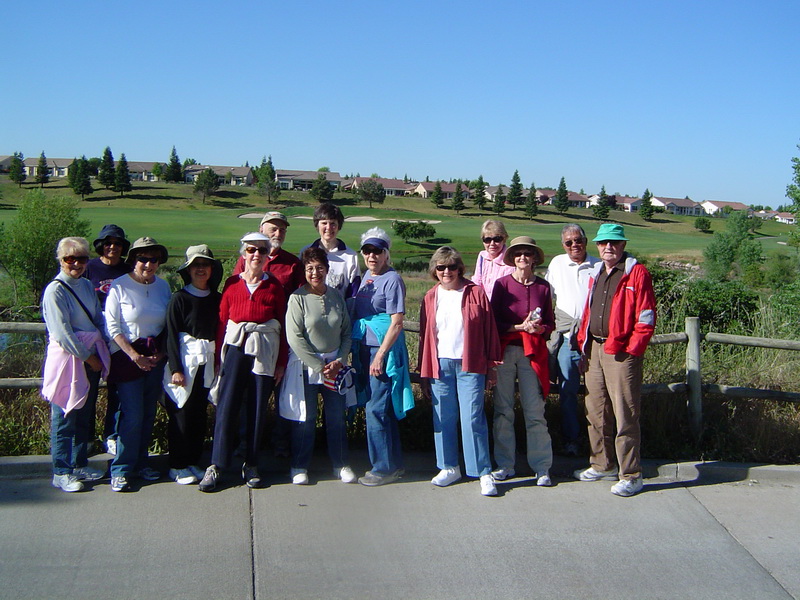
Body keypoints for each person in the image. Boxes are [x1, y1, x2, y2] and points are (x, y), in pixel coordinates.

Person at [199, 233, 288, 492]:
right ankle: (217, 465)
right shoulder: (232, 285)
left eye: (262, 250)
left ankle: (252, 463)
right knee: (226, 407)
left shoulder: (274, 287)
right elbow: (222, 323)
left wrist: (281, 362)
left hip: (263, 351)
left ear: (267, 255)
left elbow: (282, 327)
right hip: (236, 349)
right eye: (251, 250)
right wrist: (218, 359)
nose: (256, 255)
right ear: (244, 254)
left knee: (258, 408)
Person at [574, 223, 656, 497]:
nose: (608, 247)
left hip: (621, 352)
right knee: (596, 411)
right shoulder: (598, 272)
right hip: (595, 349)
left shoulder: (636, 273)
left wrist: (633, 349)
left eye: (614, 243)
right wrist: (584, 346)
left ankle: (631, 474)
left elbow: (646, 317)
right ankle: (602, 464)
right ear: (597, 246)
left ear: (623, 245)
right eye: (603, 243)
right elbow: (588, 311)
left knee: (625, 414)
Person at [418, 247, 502, 497]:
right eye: (441, 267)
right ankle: (448, 466)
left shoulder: (475, 292)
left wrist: (492, 366)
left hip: (471, 363)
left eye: (451, 267)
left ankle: (482, 471)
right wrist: (424, 370)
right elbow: (425, 336)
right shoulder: (430, 297)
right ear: (435, 270)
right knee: (443, 417)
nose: (447, 272)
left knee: (472, 417)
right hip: (440, 364)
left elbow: (489, 330)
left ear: (460, 268)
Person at [41, 237, 110, 492]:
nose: (76, 264)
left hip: (89, 355)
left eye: (81, 258)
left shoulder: (85, 286)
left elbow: (96, 319)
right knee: (64, 415)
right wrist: (89, 357)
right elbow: (62, 333)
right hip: (68, 359)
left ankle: (79, 463)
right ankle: (61, 471)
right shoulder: (55, 290)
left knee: (84, 413)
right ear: (61, 260)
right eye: (70, 259)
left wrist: (103, 346)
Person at [281, 247, 355, 485]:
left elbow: (346, 332)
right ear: (304, 270)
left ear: (327, 269)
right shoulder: (297, 298)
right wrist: (317, 365)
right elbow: (295, 337)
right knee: (306, 417)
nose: (315, 273)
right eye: (310, 268)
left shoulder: (335, 297)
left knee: (336, 417)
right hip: (307, 367)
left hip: (335, 366)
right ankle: (299, 465)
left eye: (319, 268)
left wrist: (339, 360)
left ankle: (341, 463)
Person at [105, 237, 172, 492]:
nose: (148, 264)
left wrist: (161, 353)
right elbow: (113, 327)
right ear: (133, 259)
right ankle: (121, 468)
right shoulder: (119, 286)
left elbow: (168, 325)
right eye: (143, 258)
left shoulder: (163, 287)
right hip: (127, 357)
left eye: (153, 259)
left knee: (147, 414)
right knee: (131, 416)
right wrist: (134, 355)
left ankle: (142, 463)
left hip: (154, 356)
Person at [352, 227, 414, 486]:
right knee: (381, 409)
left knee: (376, 408)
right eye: (367, 250)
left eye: (377, 251)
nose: (372, 255)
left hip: (382, 350)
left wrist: (380, 356)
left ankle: (382, 468)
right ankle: (393, 464)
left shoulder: (392, 279)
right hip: (365, 347)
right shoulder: (367, 276)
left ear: (386, 254)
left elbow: (397, 323)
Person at [490, 236, 554, 487]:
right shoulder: (502, 285)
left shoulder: (543, 287)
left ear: (535, 258)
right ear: (512, 258)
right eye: (518, 254)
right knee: (503, 411)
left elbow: (549, 323)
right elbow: (494, 323)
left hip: (532, 354)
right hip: (506, 352)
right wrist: (520, 326)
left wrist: (539, 330)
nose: (523, 258)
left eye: (528, 254)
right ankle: (505, 465)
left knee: (535, 411)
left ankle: (542, 467)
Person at [163, 245, 223, 485]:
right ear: (188, 270)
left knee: (199, 413)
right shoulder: (179, 299)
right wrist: (176, 368)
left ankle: (192, 461)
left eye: (205, 265)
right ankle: (176, 464)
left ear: (211, 270)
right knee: (181, 413)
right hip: (185, 364)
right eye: (196, 265)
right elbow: (170, 334)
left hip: (207, 364)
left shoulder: (217, 299)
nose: (200, 269)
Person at [545, 224, 600, 456]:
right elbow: (547, 296)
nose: (574, 245)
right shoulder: (557, 264)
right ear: (563, 245)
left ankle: (599, 443)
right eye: (569, 242)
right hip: (568, 338)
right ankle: (571, 439)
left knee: (598, 392)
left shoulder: (598, 265)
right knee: (567, 389)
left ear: (585, 241)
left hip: (594, 339)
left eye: (578, 240)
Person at [83, 224, 132, 457]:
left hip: (118, 338)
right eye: (109, 243)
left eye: (118, 243)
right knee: (88, 390)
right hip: (92, 337)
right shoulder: (89, 268)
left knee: (117, 390)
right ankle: (86, 438)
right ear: (101, 245)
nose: (113, 247)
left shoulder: (128, 269)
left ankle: (111, 436)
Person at [299, 202, 361, 311]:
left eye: (333, 223)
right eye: (324, 223)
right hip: (311, 312)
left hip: (339, 314)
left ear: (338, 226)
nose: (328, 228)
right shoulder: (306, 252)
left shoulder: (350, 256)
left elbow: (353, 293)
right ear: (317, 225)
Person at [232, 211, 305, 299]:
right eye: (273, 230)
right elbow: (234, 288)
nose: (278, 234)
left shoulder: (293, 263)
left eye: (282, 230)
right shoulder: (247, 259)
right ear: (261, 230)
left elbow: (301, 295)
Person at [473, 219, 514, 301]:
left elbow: (510, 291)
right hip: (484, 305)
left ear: (504, 239)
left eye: (497, 239)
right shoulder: (482, 256)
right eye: (487, 240)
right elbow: (477, 282)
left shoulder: (510, 260)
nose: (492, 244)